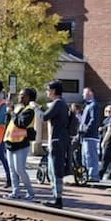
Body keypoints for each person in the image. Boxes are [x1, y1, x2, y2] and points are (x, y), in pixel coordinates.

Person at [3, 87, 38, 201]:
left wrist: (12, 112)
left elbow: (21, 123)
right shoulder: (19, 108)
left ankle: (31, 193)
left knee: (20, 169)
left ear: (28, 97)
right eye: (19, 95)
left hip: (21, 143)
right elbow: (10, 122)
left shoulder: (29, 110)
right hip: (10, 142)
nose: (20, 97)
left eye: (22, 95)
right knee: (12, 169)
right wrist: (10, 111)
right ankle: (15, 192)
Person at [42, 80, 70, 209]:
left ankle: (58, 199)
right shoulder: (62, 104)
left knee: (55, 169)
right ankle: (56, 197)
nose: (47, 92)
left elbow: (45, 116)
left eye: (48, 90)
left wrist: (38, 108)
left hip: (56, 140)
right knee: (52, 170)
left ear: (53, 91)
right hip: (58, 139)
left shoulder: (58, 103)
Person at [79, 87, 103, 182]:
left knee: (91, 156)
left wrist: (86, 130)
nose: (82, 95)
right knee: (85, 156)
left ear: (90, 93)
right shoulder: (88, 106)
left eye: (84, 93)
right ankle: (87, 174)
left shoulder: (94, 105)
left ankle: (93, 175)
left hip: (91, 135)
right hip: (86, 136)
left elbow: (94, 120)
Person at [98, 105, 111, 181]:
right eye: (106, 111)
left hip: (109, 142)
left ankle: (100, 174)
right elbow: (104, 128)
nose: (108, 112)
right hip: (108, 141)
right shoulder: (106, 120)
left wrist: (104, 141)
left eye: (110, 111)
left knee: (105, 158)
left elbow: (109, 131)